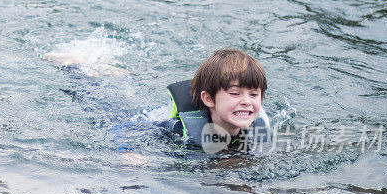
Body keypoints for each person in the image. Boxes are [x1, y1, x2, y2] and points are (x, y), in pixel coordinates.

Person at [45, 47, 271, 154]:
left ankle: (122, 77)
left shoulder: (259, 126)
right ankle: (73, 66)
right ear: (209, 99)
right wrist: (131, 156)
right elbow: (123, 131)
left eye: (254, 95)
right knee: (100, 102)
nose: (246, 102)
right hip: (131, 120)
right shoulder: (175, 129)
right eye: (235, 93)